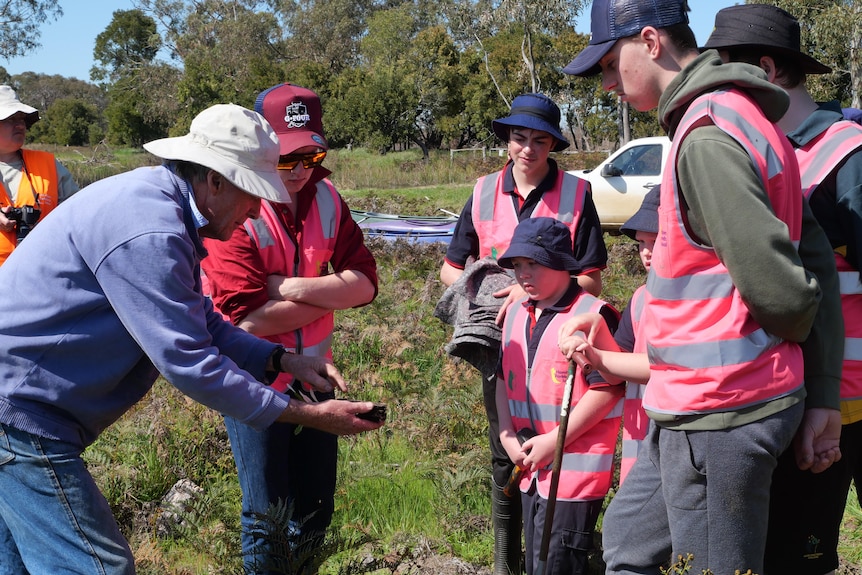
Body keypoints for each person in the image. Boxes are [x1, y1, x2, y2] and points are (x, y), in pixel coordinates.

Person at [0, 103, 384, 575]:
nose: (253, 212)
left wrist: (282, 361)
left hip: (22, 406)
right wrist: (308, 415)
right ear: (215, 181)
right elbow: (189, 362)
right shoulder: (151, 228)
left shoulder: (164, 210)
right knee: (97, 567)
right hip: (19, 413)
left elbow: (200, 316)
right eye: (252, 195)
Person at [563, 1, 843, 573]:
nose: (609, 82)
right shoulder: (737, 115)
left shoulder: (707, 135)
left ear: (650, 41)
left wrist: (814, 381)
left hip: (725, 410)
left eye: (612, 64)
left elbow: (784, 292)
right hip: (690, 402)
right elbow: (812, 251)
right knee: (628, 544)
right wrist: (820, 391)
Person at [703, 5, 862, 574]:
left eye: (721, 70)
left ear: (766, 70)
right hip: (794, 393)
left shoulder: (845, 156)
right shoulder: (769, 151)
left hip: (849, 397)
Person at [200, 84, 379, 574]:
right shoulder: (237, 205)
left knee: (316, 505)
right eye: (284, 157)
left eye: (310, 154)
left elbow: (366, 285)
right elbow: (243, 320)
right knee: (266, 513)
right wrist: (327, 289)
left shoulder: (328, 200)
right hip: (252, 378)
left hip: (316, 375)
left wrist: (289, 288)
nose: (299, 169)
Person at [438, 92, 608, 575]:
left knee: (558, 444)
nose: (528, 150)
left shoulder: (577, 194)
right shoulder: (483, 191)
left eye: (539, 140)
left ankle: (551, 552)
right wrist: (495, 286)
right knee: (504, 450)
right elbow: (451, 270)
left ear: (553, 144)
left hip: (558, 342)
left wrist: (534, 292)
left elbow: (592, 277)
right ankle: (504, 562)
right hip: (503, 344)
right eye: (518, 138)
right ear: (506, 141)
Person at [494, 216, 623, 575]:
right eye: (517, 265)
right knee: (536, 562)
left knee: (557, 565)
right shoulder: (516, 314)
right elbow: (504, 377)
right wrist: (506, 435)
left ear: (562, 263)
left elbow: (610, 389)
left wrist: (555, 440)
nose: (523, 274)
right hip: (531, 468)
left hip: (573, 476)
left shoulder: (592, 315)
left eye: (533, 263)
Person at [0, 84, 79, 265]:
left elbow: (79, 215)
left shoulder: (48, 164)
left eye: (22, 119)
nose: (20, 125)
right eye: (10, 119)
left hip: (39, 275)